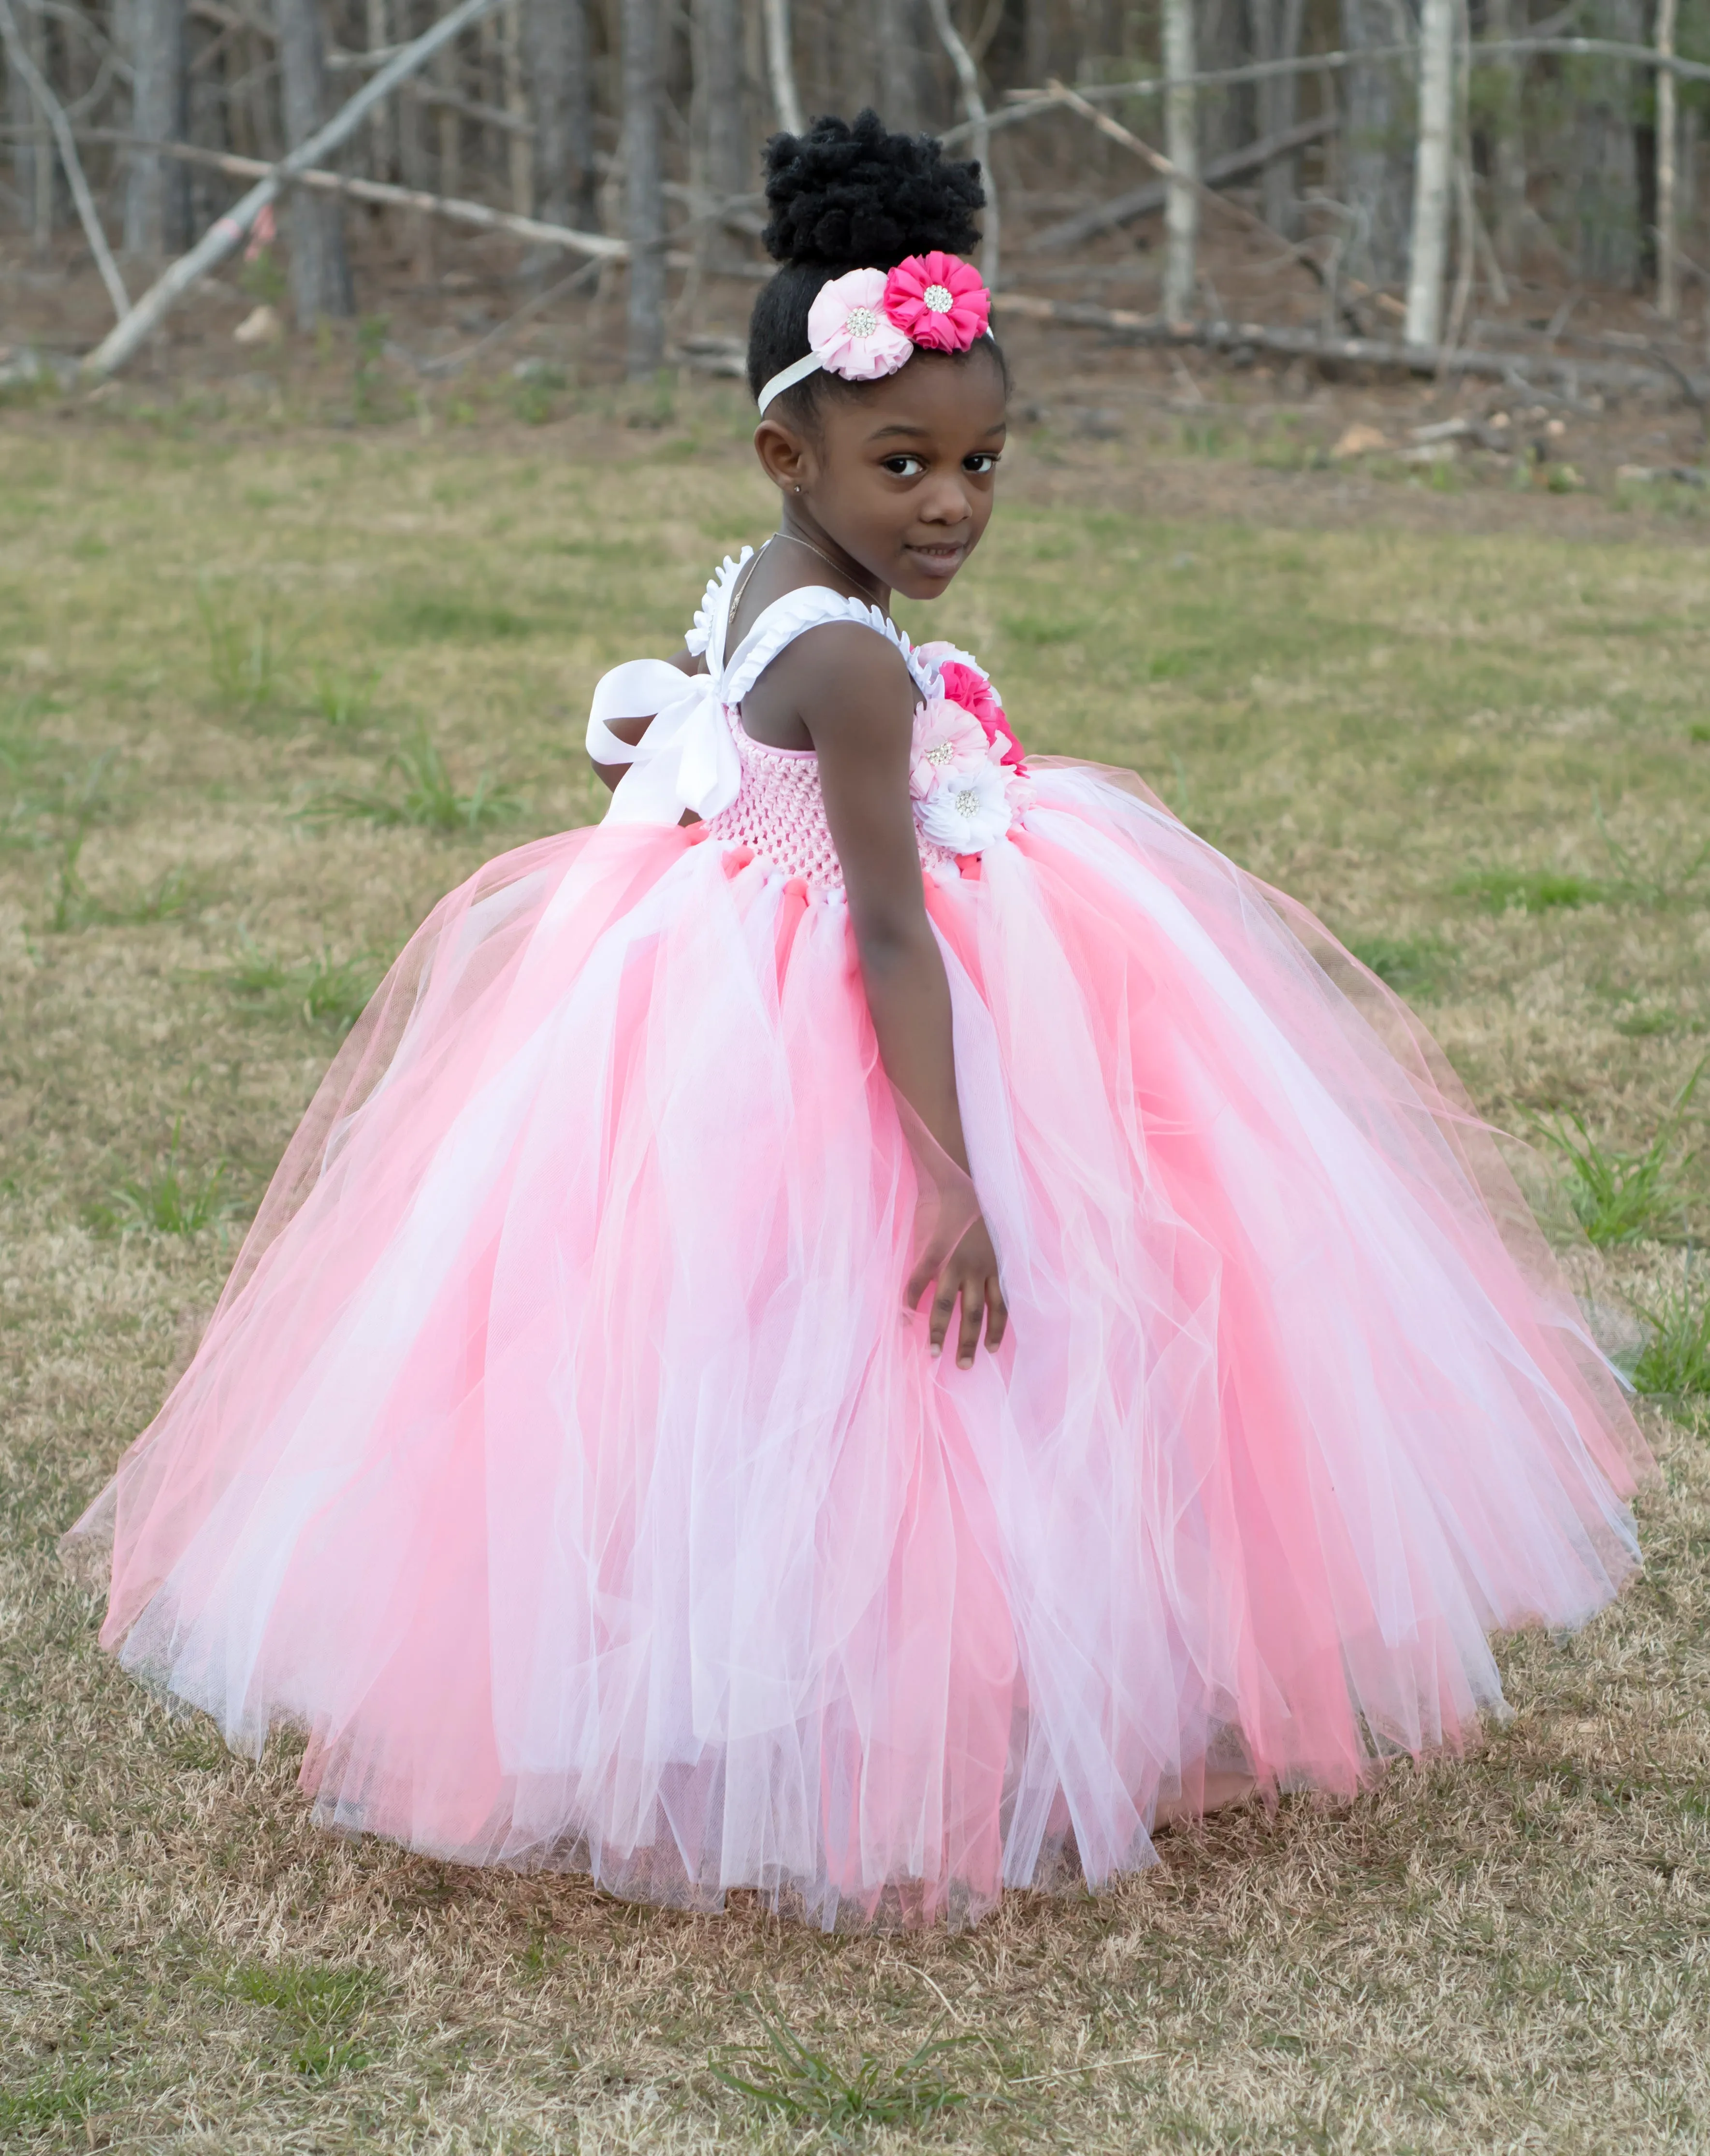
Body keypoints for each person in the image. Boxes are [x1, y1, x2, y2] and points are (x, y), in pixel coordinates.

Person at [68, 112, 1648, 1932]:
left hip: (724, 966)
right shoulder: (847, 661)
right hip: (843, 1023)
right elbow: (893, 930)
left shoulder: (776, 583)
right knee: (920, 1369)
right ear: (787, 449)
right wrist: (955, 1174)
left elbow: (671, 732)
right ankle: (907, 1707)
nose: (955, 503)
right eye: (906, 462)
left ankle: (769, 1679)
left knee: (729, 1362)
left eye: (983, 461)